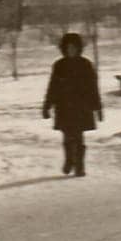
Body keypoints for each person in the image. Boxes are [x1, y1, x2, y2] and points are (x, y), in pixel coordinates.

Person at [41, 32, 102, 177]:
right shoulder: (59, 65)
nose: (71, 50)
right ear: (64, 49)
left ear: (78, 48)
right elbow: (53, 86)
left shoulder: (86, 65)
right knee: (67, 135)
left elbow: (93, 87)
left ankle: (79, 166)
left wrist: (98, 107)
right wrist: (47, 105)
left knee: (79, 136)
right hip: (63, 106)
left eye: (74, 47)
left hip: (81, 106)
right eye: (68, 48)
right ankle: (69, 159)